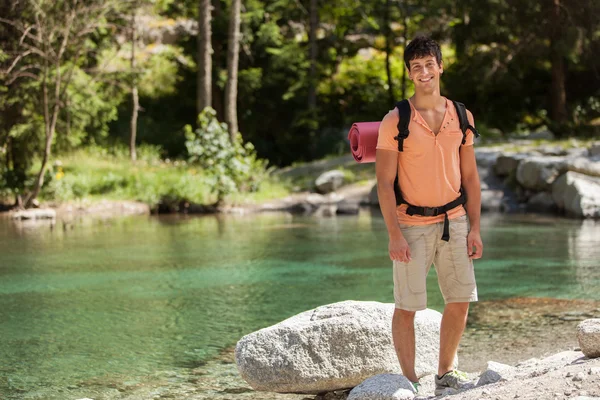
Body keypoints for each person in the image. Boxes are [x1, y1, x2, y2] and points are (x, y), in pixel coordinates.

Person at [375, 36, 483, 396]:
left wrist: (475, 228)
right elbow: (384, 184)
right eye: (416, 67)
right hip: (411, 226)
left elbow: (470, 177)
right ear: (409, 73)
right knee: (407, 306)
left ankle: (445, 372)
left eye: (429, 65)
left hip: (455, 221)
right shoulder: (396, 120)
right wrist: (394, 234)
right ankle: (408, 380)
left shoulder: (462, 116)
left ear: (441, 66)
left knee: (460, 299)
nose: (424, 72)